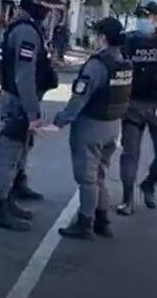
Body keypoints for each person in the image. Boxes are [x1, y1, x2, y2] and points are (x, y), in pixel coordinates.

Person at [0, 0, 61, 231]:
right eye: (46, 7)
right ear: (36, 5)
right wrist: (32, 112)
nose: (49, 12)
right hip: (19, 101)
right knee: (9, 151)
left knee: (19, 150)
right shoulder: (27, 32)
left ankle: (9, 195)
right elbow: (24, 76)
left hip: (20, 98)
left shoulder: (28, 28)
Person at [52, 17, 132, 240]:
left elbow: (80, 98)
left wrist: (60, 120)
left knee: (87, 177)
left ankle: (85, 223)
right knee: (99, 175)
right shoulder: (124, 61)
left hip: (91, 127)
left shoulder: (98, 64)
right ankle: (102, 221)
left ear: (103, 38)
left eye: (96, 35)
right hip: (113, 126)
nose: (94, 39)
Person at [116, 0, 157, 216]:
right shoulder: (128, 41)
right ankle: (127, 200)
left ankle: (149, 184)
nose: (143, 19)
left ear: (156, 17)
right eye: (139, 15)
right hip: (133, 104)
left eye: (147, 15)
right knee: (130, 153)